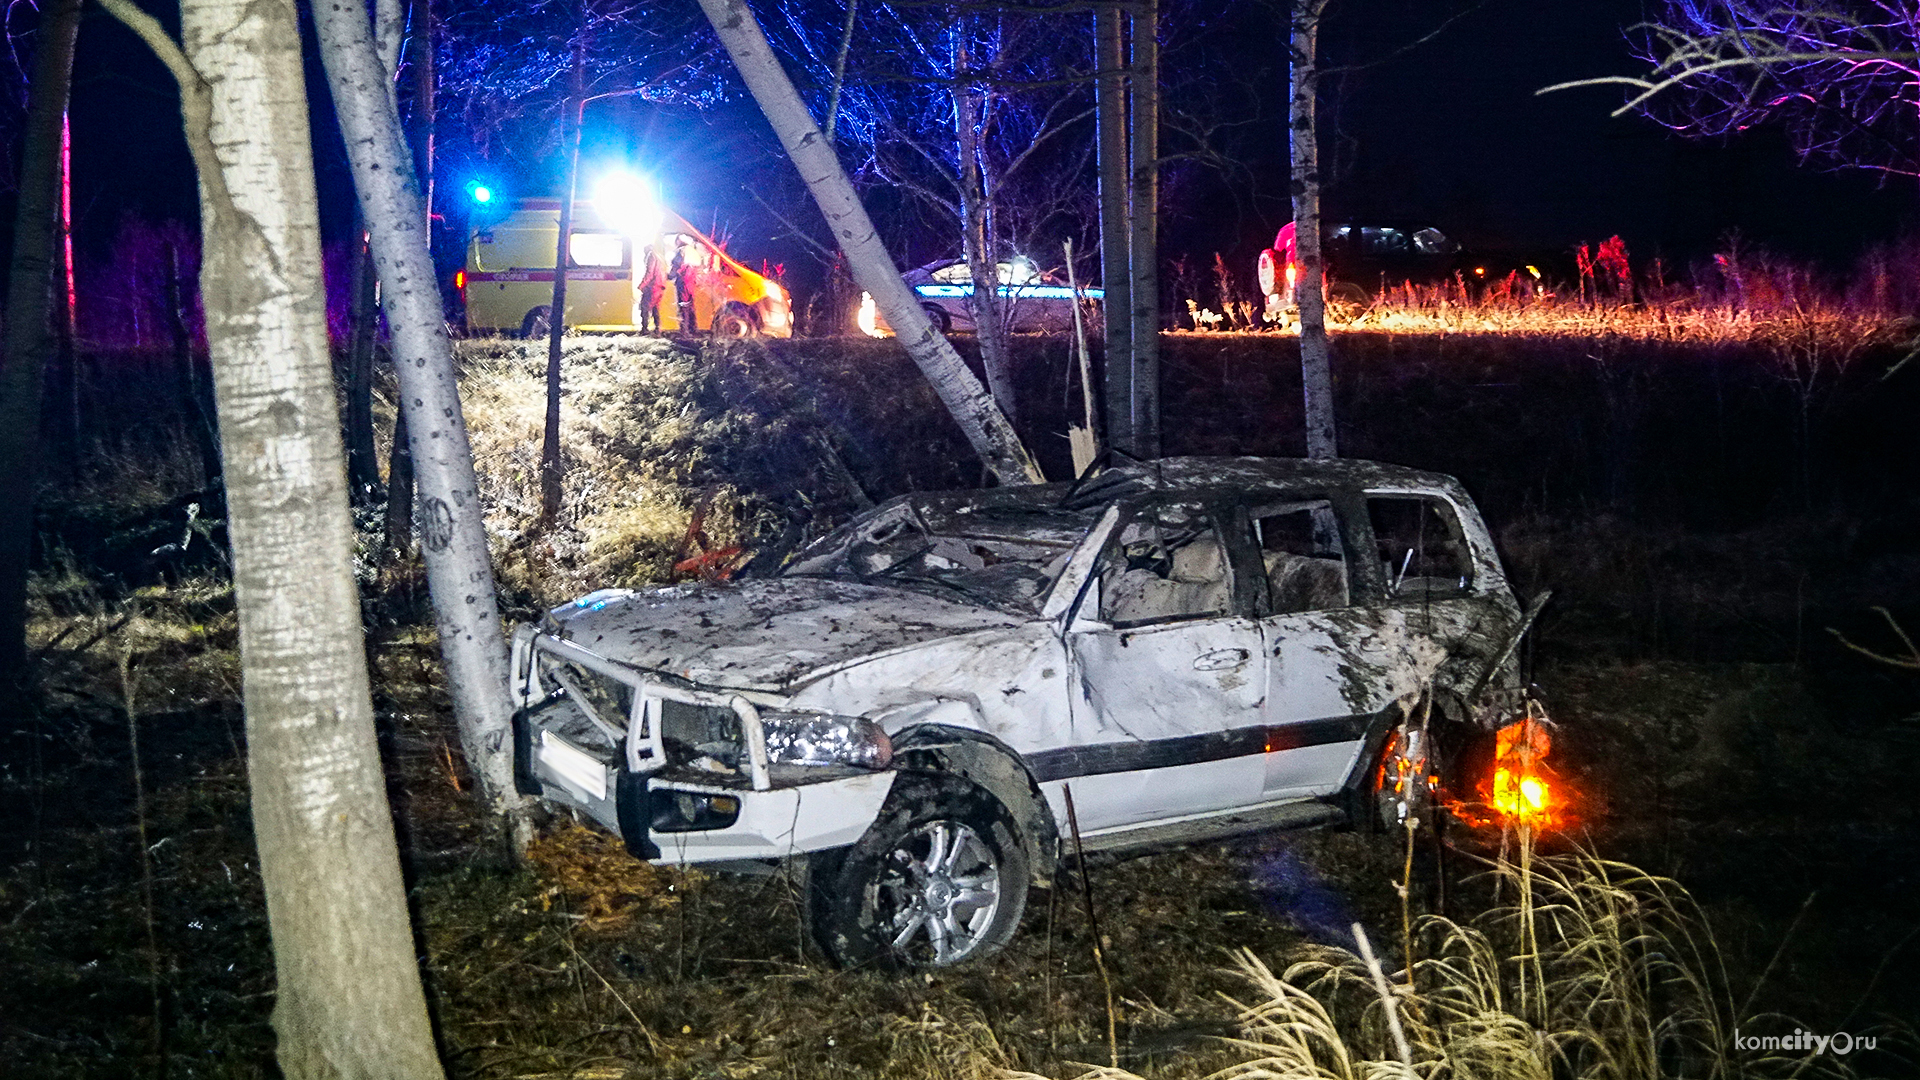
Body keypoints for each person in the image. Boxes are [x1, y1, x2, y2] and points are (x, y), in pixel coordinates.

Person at [669, 240, 696, 332]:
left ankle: (684, 330)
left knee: (683, 306)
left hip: (683, 282)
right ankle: (693, 328)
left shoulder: (681, 251)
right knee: (690, 306)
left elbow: (676, 267)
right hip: (690, 283)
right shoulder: (692, 251)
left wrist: (669, 275)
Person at [638, 246, 665, 332]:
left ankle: (645, 329)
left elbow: (650, 272)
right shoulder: (659, 256)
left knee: (645, 307)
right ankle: (657, 329)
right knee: (655, 308)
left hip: (653, 286)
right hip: (659, 286)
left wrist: (642, 285)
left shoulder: (651, 256)